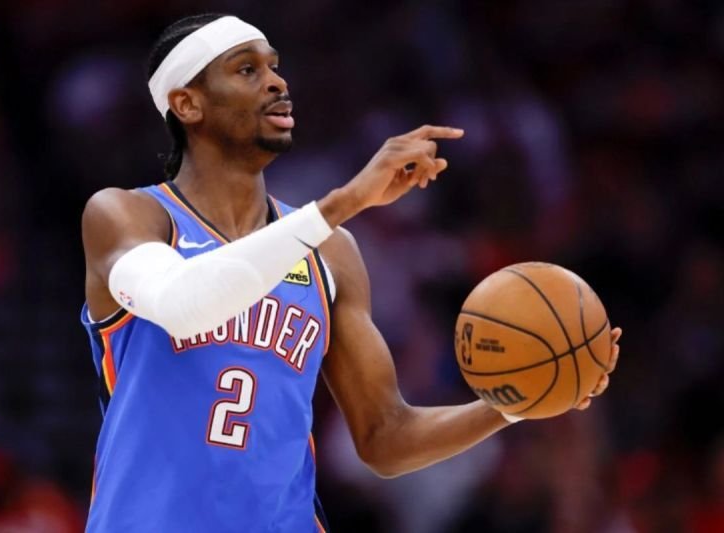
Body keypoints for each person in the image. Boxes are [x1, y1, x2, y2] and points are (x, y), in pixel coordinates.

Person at [80, 13, 622, 533]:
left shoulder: (332, 253)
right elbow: (182, 306)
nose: (276, 82)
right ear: (187, 103)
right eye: (247, 70)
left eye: (274, 66)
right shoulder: (127, 215)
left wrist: (520, 401)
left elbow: (385, 437)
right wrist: (344, 203)